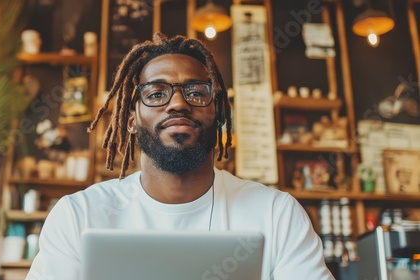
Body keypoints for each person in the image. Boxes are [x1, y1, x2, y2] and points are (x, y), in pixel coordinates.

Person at [26, 32, 334, 279]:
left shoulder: (276, 214)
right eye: (156, 93)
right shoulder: (78, 216)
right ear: (131, 119)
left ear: (219, 113)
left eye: (196, 92)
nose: (177, 104)